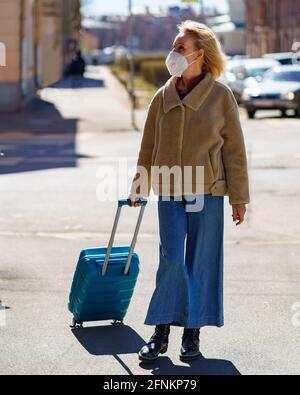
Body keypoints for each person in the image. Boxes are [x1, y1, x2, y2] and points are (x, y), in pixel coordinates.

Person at [128, 20, 250, 363]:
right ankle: (161, 331)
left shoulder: (220, 96)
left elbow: (235, 152)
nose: (173, 53)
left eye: (180, 48)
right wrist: (139, 187)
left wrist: (238, 198)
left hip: (207, 191)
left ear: (200, 54)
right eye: (174, 46)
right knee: (171, 260)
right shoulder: (162, 96)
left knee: (201, 261)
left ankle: (192, 335)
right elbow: (148, 145)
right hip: (169, 191)